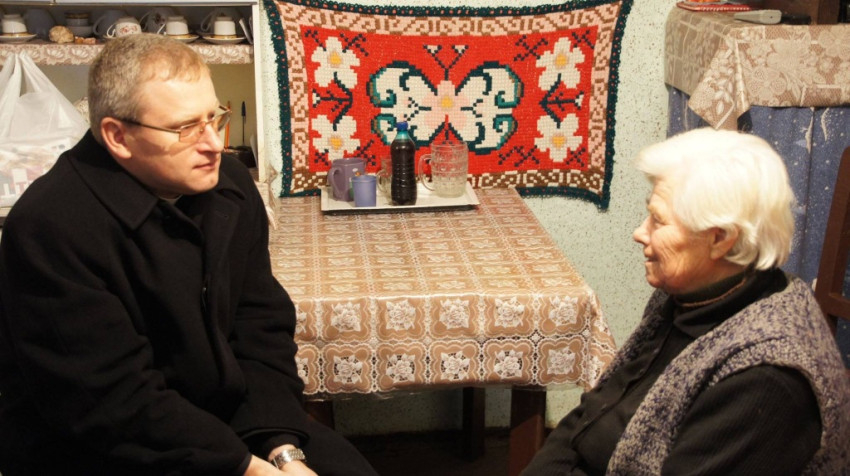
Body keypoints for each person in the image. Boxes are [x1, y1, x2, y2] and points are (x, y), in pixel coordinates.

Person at [0, 34, 377, 476]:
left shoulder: (228, 184)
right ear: (117, 136)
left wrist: (280, 446)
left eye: (213, 118)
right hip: (101, 448)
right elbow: (109, 399)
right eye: (185, 128)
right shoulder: (50, 227)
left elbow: (259, 324)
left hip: (227, 420)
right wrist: (248, 467)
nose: (214, 143)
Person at [522, 128, 850, 475]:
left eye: (658, 221)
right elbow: (592, 413)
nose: (640, 233)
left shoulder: (766, 381)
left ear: (720, 239)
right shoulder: (688, 293)